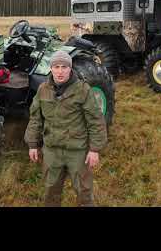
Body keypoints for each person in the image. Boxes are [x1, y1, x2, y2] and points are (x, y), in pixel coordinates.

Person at [24, 50, 108, 207]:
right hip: (52, 150)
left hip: (77, 150)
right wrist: (32, 144)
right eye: (56, 67)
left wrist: (95, 149)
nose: (60, 71)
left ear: (70, 68)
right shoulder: (43, 89)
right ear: (51, 68)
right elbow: (35, 118)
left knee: (84, 192)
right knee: (50, 191)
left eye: (64, 67)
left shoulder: (83, 90)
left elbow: (96, 120)